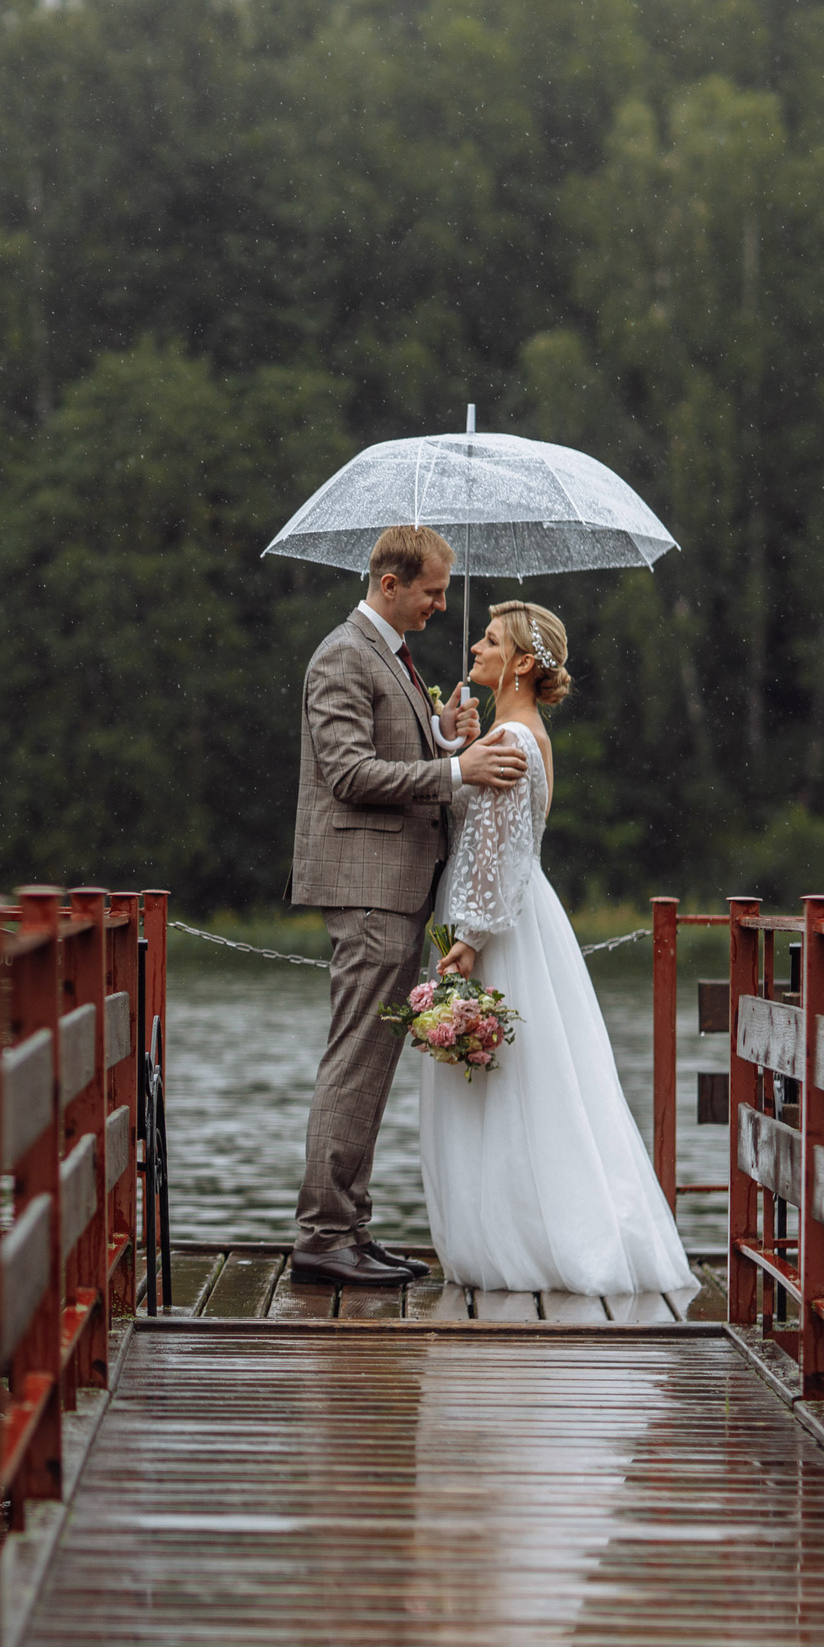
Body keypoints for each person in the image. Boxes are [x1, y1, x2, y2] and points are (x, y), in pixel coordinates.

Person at [418, 600, 691, 1296]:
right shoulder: (516, 733)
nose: (475, 647)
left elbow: (497, 852)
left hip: (497, 924)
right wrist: (456, 748)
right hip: (522, 916)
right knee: (536, 1079)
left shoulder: (512, 740)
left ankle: (526, 1239)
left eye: (489, 639)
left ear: (522, 663)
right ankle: (527, 1223)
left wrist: (470, 939)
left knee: (511, 1083)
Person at [288, 525, 527, 1287]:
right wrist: (455, 769)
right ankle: (324, 1235)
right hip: (368, 889)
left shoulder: (389, 657)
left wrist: (439, 734)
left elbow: (392, 755)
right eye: (432, 590)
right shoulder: (341, 655)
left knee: (371, 1062)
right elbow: (350, 774)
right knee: (355, 1062)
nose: (441, 604)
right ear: (389, 585)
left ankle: (349, 1226)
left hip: (395, 890)